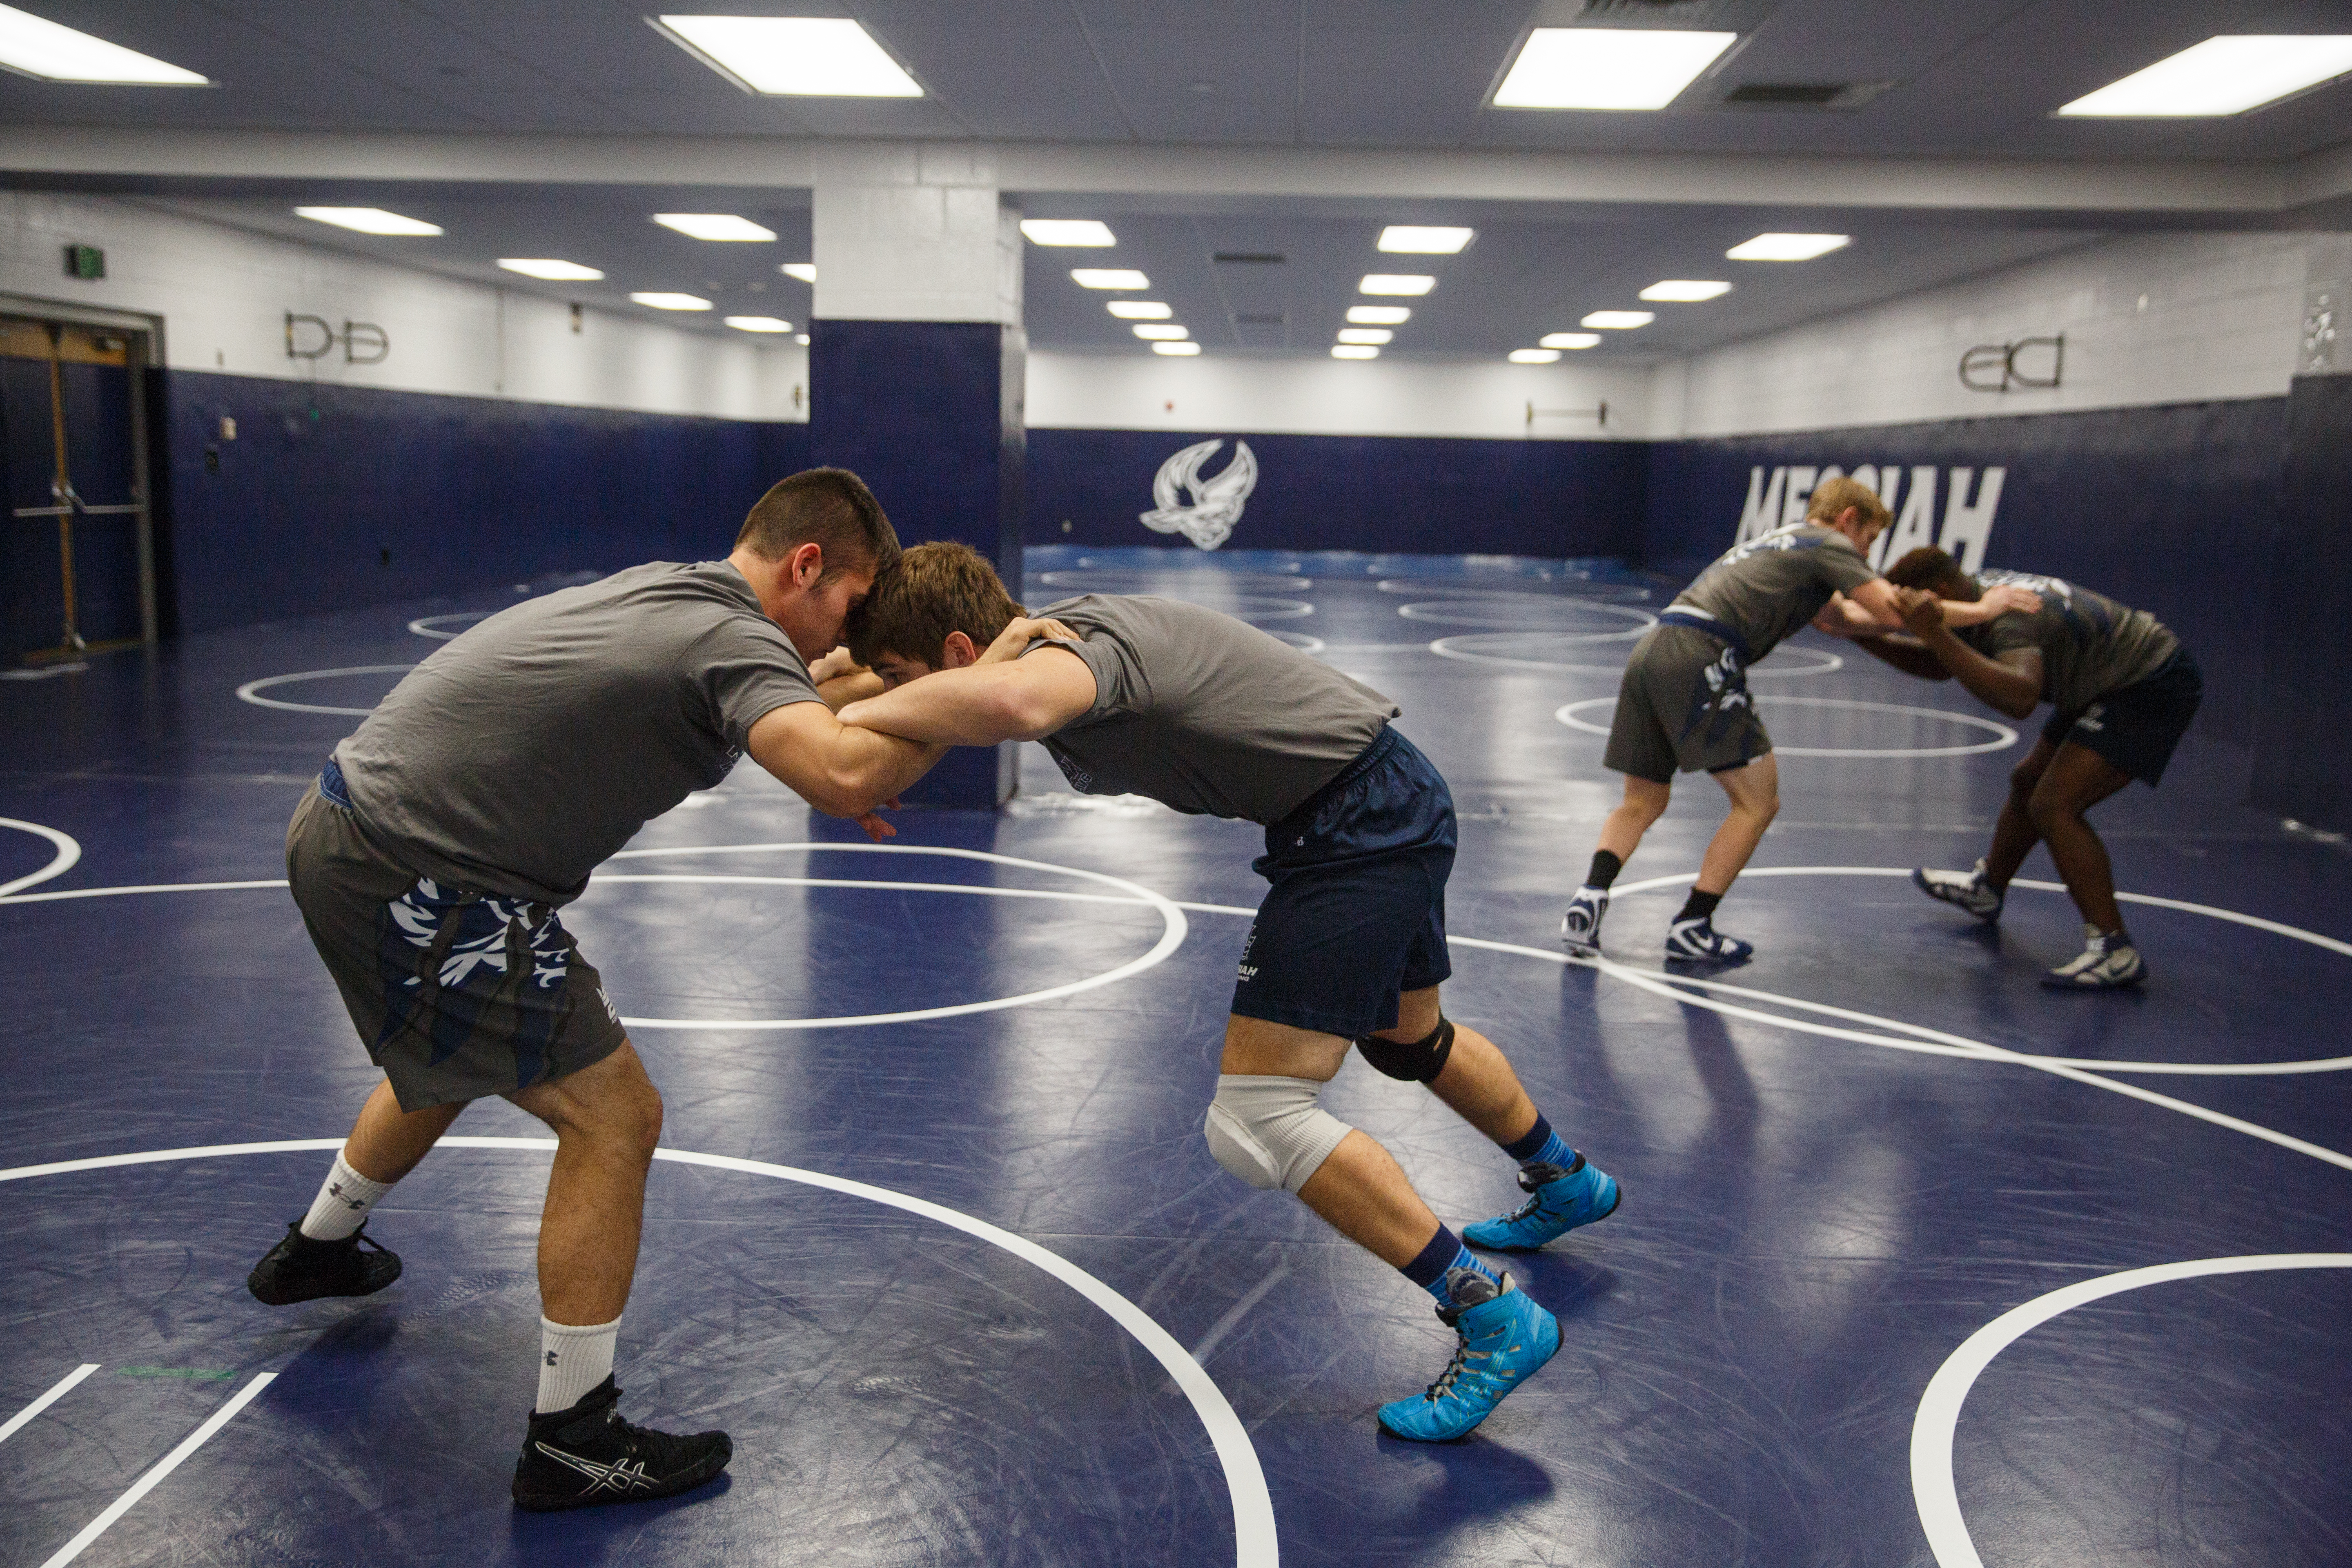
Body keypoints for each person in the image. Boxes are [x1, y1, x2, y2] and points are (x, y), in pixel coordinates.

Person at [245, 469, 949, 1510]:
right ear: (806, 566)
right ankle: (574, 1437)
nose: (839, 637)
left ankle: (317, 1248)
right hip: (423, 872)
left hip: (356, 827)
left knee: (461, 1046)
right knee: (614, 1115)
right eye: (847, 604)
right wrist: (970, 705)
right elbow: (843, 771)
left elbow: (804, 707)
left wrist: (876, 695)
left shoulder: (681, 596)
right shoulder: (732, 640)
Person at [829, 541, 1620, 1443]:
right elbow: (923, 707)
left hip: (1356, 825)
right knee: (1408, 1038)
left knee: (1257, 1117)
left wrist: (870, 710)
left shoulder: (1064, 661)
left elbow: (1003, 702)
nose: (897, 697)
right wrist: (838, 694)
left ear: (965, 652)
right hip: (1389, 793)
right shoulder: (1056, 641)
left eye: (902, 674)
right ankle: (1567, 1180)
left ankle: (1491, 1317)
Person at [1559, 477, 2038, 964]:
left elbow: (1841, 619)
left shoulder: (1781, 542)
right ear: (1849, 519)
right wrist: (1982, 609)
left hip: (1653, 650)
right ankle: (1693, 924)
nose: (1868, 552)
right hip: (1702, 655)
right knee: (1757, 802)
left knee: (1642, 801)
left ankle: (1589, 900)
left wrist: (1910, 623)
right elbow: (1897, 611)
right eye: (1869, 539)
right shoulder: (1828, 543)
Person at [1855, 546, 2202, 989]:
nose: (1912, 621)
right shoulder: (1978, 595)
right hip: (2105, 679)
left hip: (2148, 683)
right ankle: (1988, 889)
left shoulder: (2011, 618)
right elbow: (1943, 665)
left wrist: (1936, 633)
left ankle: (2115, 949)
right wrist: (1861, 636)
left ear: (1940, 592)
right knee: (2028, 781)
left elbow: (2020, 697)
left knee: (2055, 806)